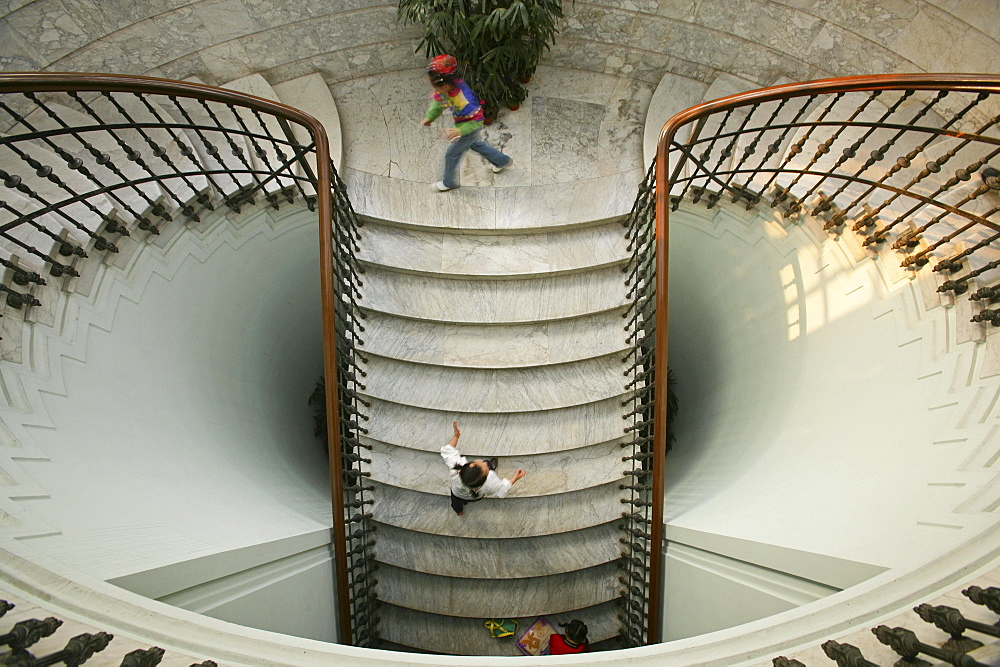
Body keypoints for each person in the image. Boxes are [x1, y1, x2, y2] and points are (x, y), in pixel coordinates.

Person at [420, 54, 514, 192]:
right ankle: (503, 161)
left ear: (445, 84)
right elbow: (439, 102)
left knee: (451, 155)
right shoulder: (446, 90)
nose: (436, 90)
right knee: (477, 145)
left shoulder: (464, 99)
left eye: (436, 86)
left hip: (469, 128)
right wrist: (430, 117)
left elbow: (477, 120)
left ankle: (449, 182)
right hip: (464, 126)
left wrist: (460, 131)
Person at [440, 420, 525, 515]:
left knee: (456, 503)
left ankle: (458, 511)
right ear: (486, 477)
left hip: (457, 494)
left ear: (471, 465)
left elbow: (448, 451)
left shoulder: (456, 470)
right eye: (486, 468)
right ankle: (491, 465)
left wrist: (456, 436)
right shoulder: (489, 484)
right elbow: (502, 489)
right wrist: (515, 478)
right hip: (475, 496)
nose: (484, 463)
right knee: (489, 463)